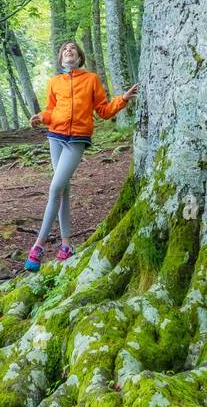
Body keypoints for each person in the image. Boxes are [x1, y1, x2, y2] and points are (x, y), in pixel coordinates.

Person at [24, 39, 138, 270]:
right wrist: (41, 117)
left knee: (55, 187)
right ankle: (66, 246)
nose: (68, 51)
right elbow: (51, 110)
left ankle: (38, 245)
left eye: (72, 49)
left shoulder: (91, 80)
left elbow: (104, 111)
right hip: (55, 137)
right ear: (60, 57)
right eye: (64, 49)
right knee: (63, 189)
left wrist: (122, 99)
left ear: (79, 56)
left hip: (77, 139)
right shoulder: (54, 82)